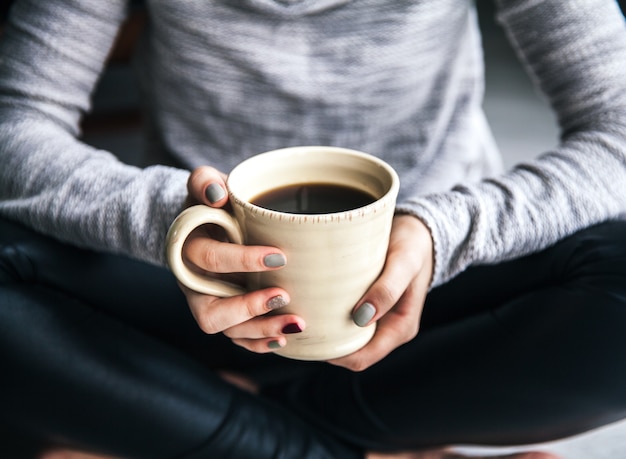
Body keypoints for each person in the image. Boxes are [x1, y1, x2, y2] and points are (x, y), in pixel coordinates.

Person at [0, 0, 625, 458]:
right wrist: (172, 223)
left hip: (430, 295)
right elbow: (15, 126)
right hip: (198, 292)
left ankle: (219, 426)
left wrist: (442, 230)